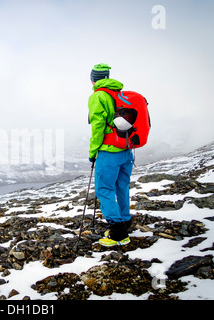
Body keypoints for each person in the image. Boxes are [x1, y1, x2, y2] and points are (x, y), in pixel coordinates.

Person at [87, 63, 133, 247]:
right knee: (122, 186)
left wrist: (92, 152)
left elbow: (98, 126)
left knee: (104, 189)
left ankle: (118, 233)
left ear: (93, 79)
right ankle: (125, 221)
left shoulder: (98, 96)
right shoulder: (120, 93)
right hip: (126, 149)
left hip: (108, 150)